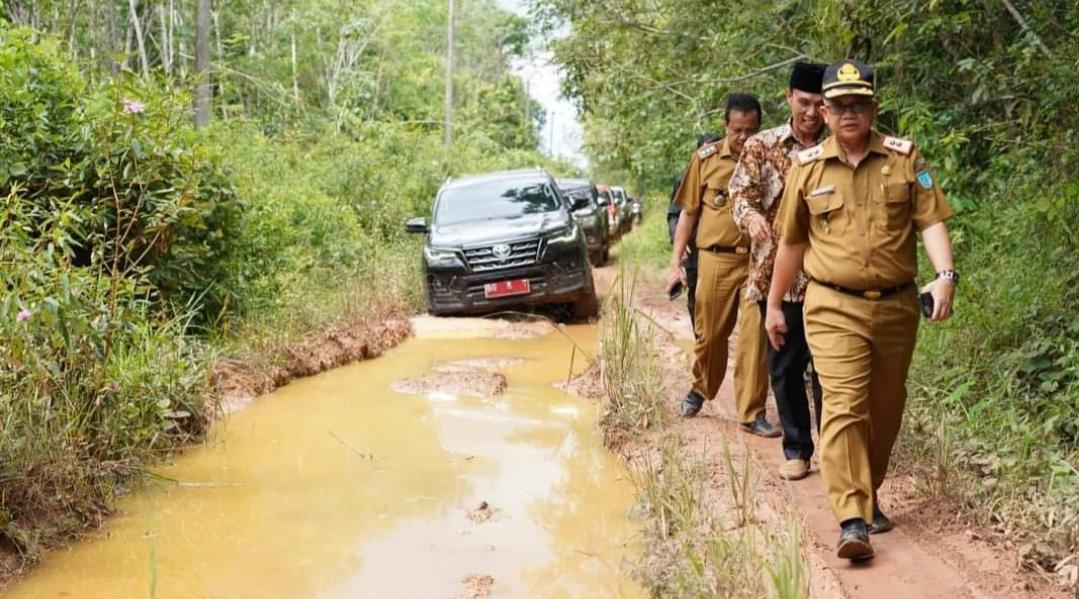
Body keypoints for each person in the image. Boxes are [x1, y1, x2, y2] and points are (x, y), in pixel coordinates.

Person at [766, 59, 958, 561]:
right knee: (844, 406)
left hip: (896, 306)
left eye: (858, 103)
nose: (848, 113)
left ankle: (867, 493)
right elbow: (790, 243)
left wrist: (945, 276)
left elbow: (932, 221)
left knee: (886, 407)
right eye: (838, 105)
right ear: (824, 112)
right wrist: (772, 304)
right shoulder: (805, 169)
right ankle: (852, 517)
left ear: (873, 108)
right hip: (831, 305)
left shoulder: (903, 158)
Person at [730, 62, 827, 482]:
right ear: (788, 98)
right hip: (777, 279)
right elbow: (738, 194)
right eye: (804, 102)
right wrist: (750, 218)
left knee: (828, 370)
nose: (811, 112)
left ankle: (836, 451)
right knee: (785, 369)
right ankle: (797, 449)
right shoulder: (762, 146)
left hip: (828, 278)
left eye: (821, 105)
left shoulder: (838, 145)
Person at [666, 95, 775, 437]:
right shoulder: (706, 159)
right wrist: (676, 262)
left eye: (751, 130)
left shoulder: (770, 159)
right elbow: (688, 213)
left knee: (755, 338)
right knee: (711, 334)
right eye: (737, 130)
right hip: (716, 258)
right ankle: (701, 387)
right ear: (726, 126)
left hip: (758, 259)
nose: (744, 138)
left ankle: (751, 411)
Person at [668, 133, 722, 329]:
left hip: (721, 250)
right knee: (696, 298)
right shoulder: (684, 179)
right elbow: (675, 215)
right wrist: (679, 243)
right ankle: (701, 337)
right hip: (694, 248)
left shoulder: (732, 173)